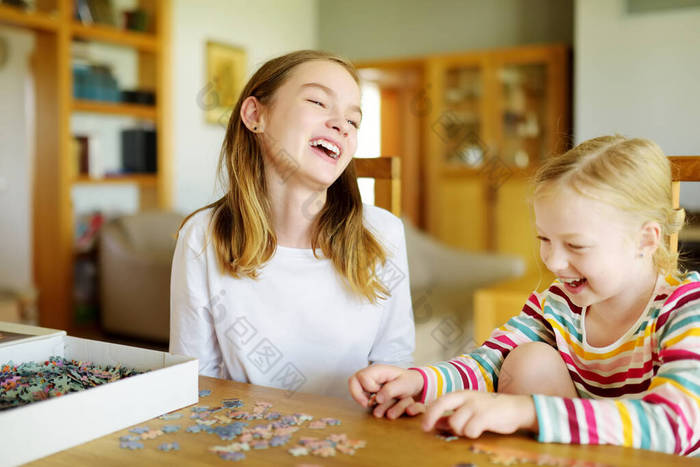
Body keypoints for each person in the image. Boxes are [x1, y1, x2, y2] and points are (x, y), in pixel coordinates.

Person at [349, 135, 700, 456]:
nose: (554, 261)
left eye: (576, 245)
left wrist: (527, 412)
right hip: (582, 456)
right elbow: (490, 362)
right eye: (544, 240)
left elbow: (674, 425)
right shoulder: (558, 302)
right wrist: (418, 381)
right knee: (524, 359)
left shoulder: (687, 307)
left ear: (646, 240)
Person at [170, 50, 414, 399]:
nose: (341, 125)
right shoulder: (202, 236)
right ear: (256, 115)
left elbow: (395, 363)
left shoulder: (384, 233)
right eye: (318, 101)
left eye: (354, 120)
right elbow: (196, 383)